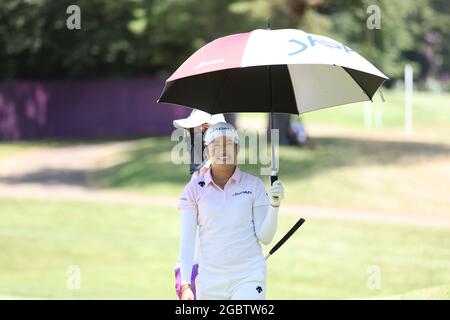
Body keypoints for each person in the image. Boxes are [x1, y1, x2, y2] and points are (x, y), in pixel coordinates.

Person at [177, 122, 285, 300]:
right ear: (206, 152)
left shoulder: (253, 185)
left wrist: (275, 206)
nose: (223, 150)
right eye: (216, 145)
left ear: (237, 148)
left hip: (248, 276)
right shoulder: (194, 189)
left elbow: (265, 237)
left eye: (228, 144)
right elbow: (187, 242)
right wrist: (185, 284)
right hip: (209, 281)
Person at [172, 109, 225, 299]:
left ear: (206, 130)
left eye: (191, 132)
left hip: (205, 275)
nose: (187, 138)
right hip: (195, 274)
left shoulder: (210, 176)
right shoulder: (200, 176)